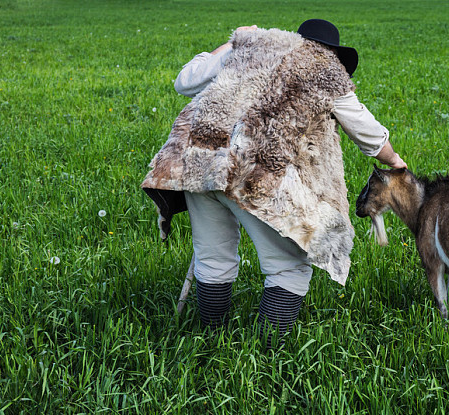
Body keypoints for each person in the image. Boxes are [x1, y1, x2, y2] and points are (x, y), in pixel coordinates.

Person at [141, 19, 406, 348]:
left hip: (200, 162)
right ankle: (266, 355)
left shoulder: (248, 51)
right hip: (254, 174)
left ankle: (210, 341)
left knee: (212, 258)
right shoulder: (325, 68)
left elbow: (185, 80)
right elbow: (366, 130)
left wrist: (236, 42)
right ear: (333, 54)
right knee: (288, 266)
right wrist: (393, 160)